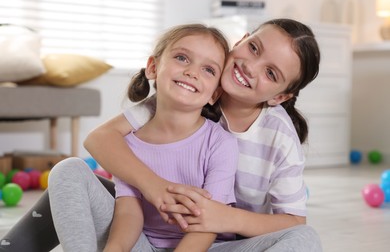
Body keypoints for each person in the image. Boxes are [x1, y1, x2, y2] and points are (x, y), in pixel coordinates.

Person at [0, 18, 322, 252]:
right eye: (253, 48)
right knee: (71, 173)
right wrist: (154, 188)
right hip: (143, 231)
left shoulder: (276, 139)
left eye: (270, 73)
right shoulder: (177, 97)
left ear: (280, 96)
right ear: (241, 40)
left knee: (304, 240)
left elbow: (294, 222)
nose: (251, 67)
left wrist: (224, 217)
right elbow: (99, 140)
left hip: (225, 238)